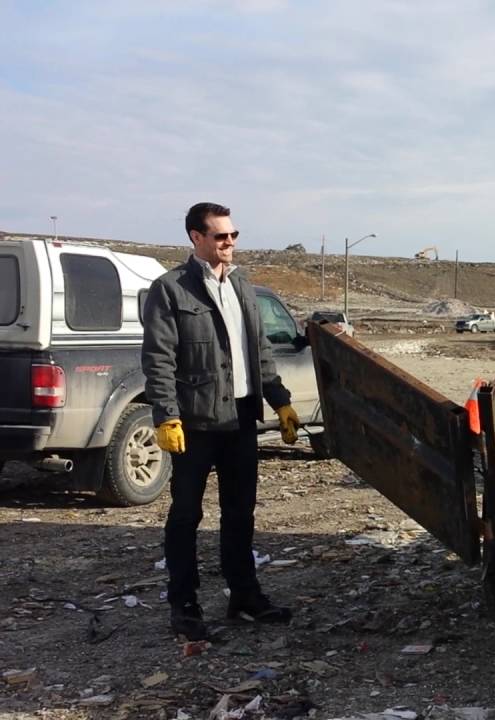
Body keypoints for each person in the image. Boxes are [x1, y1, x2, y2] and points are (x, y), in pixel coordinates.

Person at [141, 202, 301, 640]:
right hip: (195, 424)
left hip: (241, 422)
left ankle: (244, 598)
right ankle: (185, 606)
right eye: (220, 236)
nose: (229, 243)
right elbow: (158, 358)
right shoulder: (171, 289)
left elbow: (260, 352)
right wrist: (166, 415)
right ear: (196, 238)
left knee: (239, 514)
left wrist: (280, 400)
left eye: (233, 235)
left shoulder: (243, 286)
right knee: (186, 515)